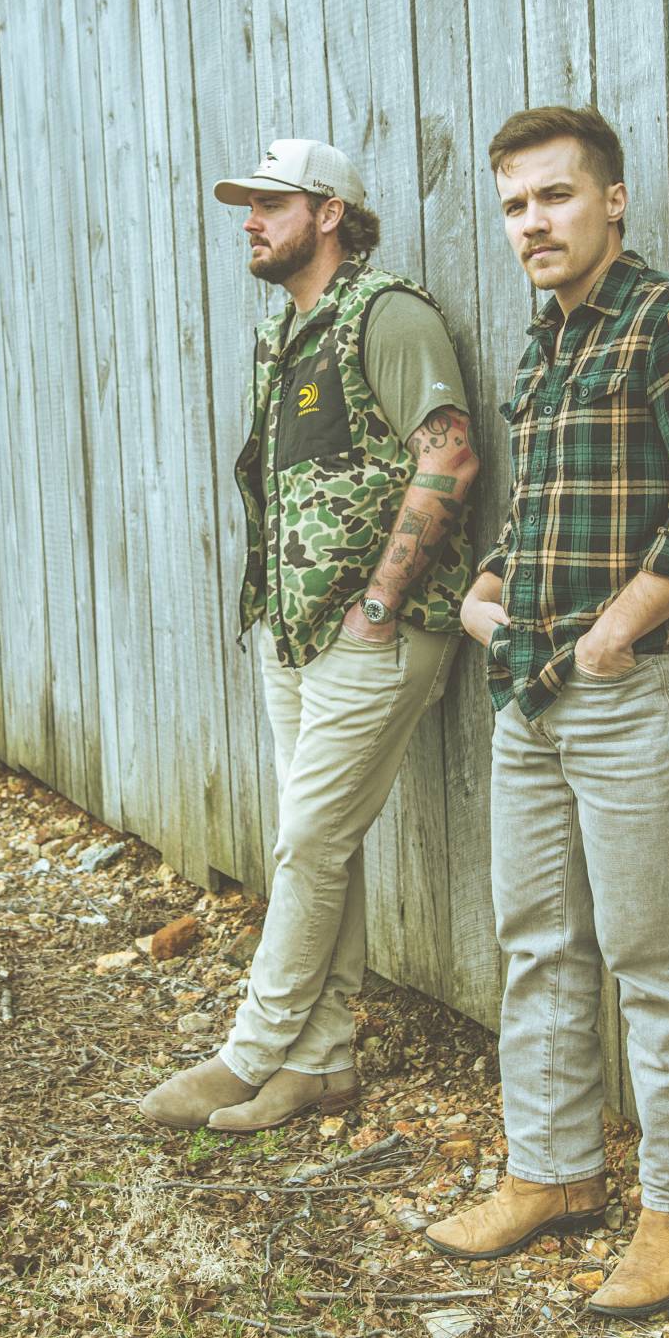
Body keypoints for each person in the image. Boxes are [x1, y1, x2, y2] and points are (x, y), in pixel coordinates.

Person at [422, 106, 669, 1320]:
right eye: (515, 206)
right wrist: (484, 591)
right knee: (536, 946)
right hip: (532, 693)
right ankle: (552, 1175)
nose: (533, 224)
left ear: (612, 200)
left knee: (650, 956)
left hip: (639, 690)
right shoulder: (548, 346)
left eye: (555, 198)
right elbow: (540, 511)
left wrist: (615, 632)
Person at [135, 137, 479, 1133]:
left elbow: (447, 458)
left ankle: (248, 1053)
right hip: (292, 630)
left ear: (329, 213)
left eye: (270, 203)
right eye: (247, 203)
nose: (249, 218)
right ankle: (321, 1061)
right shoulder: (280, 333)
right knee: (321, 849)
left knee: (308, 841)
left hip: (379, 629)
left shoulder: (388, 316)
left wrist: (378, 603)